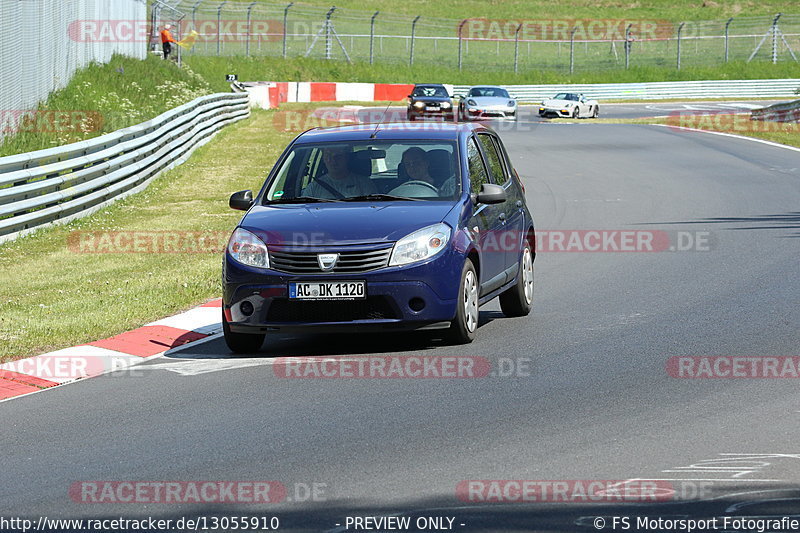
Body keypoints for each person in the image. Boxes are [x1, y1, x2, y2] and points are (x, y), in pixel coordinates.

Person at [302, 145, 376, 199]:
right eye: (328, 156)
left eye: (338, 156)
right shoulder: (314, 188)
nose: (333, 161)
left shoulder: (364, 184)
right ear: (323, 159)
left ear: (346, 158)